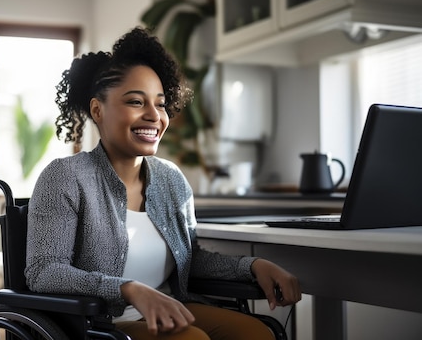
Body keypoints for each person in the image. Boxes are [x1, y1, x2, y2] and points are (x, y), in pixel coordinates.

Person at [25, 26, 301, 340]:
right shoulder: (66, 177)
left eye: (160, 103)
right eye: (135, 102)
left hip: (169, 308)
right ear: (97, 109)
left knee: (258, 334)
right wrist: (128, 289)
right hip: (99, 325)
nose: (154, 115)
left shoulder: (171, 180)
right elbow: (44, 271)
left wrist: (253, 266)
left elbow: (189, 260)